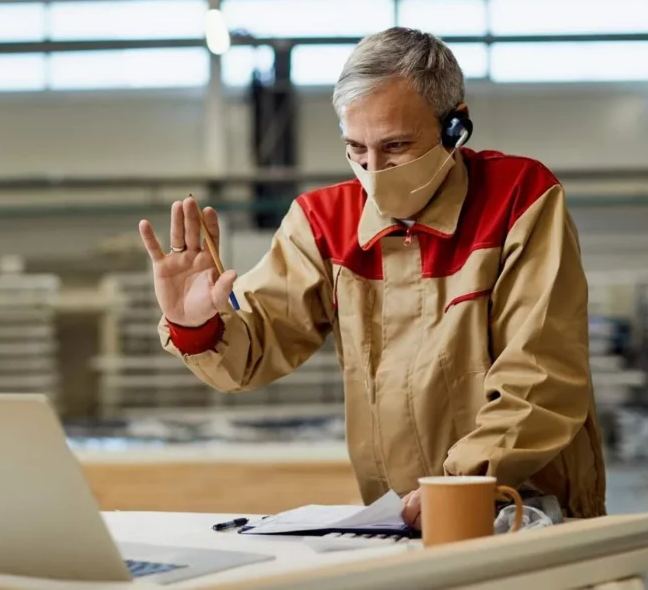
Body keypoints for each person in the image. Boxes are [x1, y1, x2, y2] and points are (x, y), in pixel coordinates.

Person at [138, 27, 606, 526]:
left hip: (522, 504)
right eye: (357, 150)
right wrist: (197, 325)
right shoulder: (322, 223)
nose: (375, 170)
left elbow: (541, 369)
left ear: (455, 127)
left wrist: (466, 479)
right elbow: (250, 352)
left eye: (397, 146)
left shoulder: (519, 199)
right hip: (401, 520)